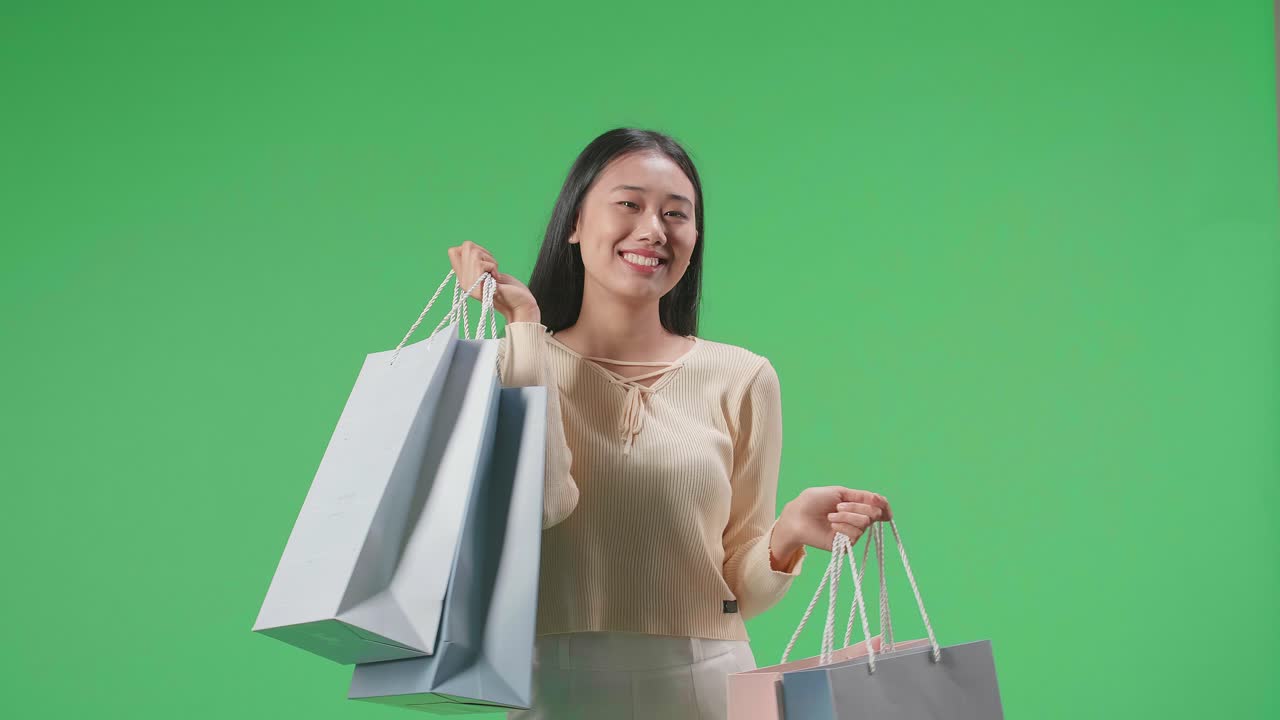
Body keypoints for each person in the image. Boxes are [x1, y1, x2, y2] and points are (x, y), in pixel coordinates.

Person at [446, 128, 892, 720]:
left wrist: (785, 536)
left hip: (708, 682)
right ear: (574, 223)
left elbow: (736, 595)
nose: (654, 230)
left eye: (676, 214)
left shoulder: (743, 376)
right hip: (553, 685)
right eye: (629, 204)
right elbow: (541, 501)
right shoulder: (510, 363)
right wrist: (525, 330)